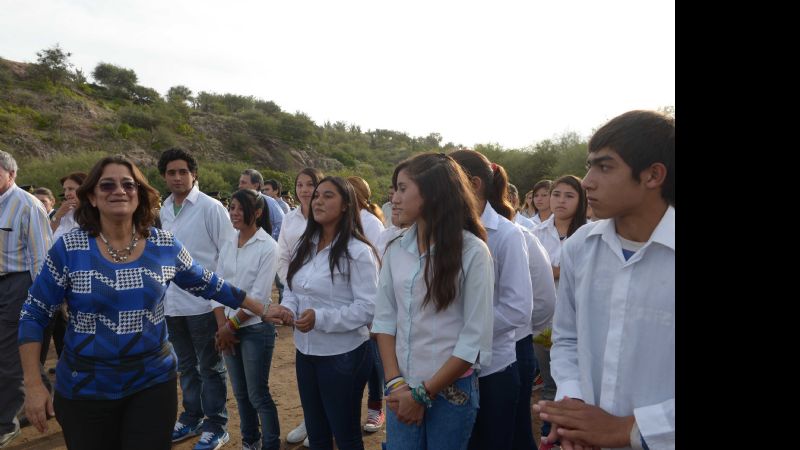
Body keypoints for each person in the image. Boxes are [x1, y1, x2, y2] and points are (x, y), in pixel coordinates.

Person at [18, 154, 283, 450]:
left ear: (139, 195)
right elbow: (34, 313)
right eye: (107, 185)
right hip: (85, 388)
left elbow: (208, 282)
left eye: (128, 185)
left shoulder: (163, 245)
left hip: (152, 384)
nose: (119, 191)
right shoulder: (68, 249)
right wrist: (32, 383)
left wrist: (263, 308)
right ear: (91, 197)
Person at [533, 110, 675, 450]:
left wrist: (631, 430)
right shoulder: (581, 247)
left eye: (605, 167)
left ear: (653, 175)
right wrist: (574, 404)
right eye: (589, 166)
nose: (587, 181)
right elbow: (567, 337)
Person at [373, 153, 494, 450]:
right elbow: (385, 320)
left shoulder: (473, 252)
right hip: (401, 389)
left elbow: (472, 339)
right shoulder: (395, 249)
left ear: (431, 193)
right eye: (394, 189)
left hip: (452, 392)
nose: (394, 198)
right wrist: (397, 384)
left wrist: (423, 395)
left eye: (402, 188)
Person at [273, 176, 380, 450]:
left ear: (346, 205)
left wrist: (320, 318)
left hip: (342, 356)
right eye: (317, 195)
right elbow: (294, 288)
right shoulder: (305, 245)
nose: (318, 200)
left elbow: (368, 308)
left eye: (328, 196)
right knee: (318, 434)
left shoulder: (358, 251)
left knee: (345, 437)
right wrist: (288, 308)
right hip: (306, 353)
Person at [450, 150, 533, 450]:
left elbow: (518, 308)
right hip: (447, 368)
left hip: (492, 369)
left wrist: (462, 332)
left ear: (473, 184)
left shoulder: (507, 235)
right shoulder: (440, 232)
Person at [158, 148, 236, 450]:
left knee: (210, 367)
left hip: (205, 305)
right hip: (173, 305)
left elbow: (226, 256)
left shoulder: (211, 208)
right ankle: (192, 416)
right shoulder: (165, 208)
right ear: (164, 176)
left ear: (194, 174)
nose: (177, 177)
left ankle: (216, 425)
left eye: (183, 172)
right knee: (186, 366)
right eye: (171, 172)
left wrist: (222, 310)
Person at [213, 189, 280, 450]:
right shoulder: (228, 241)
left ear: (259, 213)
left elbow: (260, 298)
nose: (234, 213)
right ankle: (250, 441)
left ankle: (270, 444)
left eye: (241, 208)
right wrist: (222, 326)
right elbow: (216, 286)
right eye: (231, 207)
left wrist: (231, 325)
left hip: (254, 329)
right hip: (227, 327)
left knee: (257, 394)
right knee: (240, 394)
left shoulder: (268, 246)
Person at [0, 150, 53, 449]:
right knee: (10, 351)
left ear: (12, 175)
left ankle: (5, 423)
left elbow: (40, 258)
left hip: (20, 283)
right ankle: (45, 393)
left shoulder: (27, 206)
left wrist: (41, 301)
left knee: (7, 355)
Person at [277, 167, 324, 447]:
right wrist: (290, 287)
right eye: (300, 184)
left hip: (323, 297)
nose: (304, 190)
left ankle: (324, 424)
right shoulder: (289, 220)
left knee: (326, 367)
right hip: (296, 294)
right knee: (306, 366)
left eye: (310, 184)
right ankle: (310, 420)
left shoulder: (327, 216)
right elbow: (282, 255)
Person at [346, 176, 387, 433]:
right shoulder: (342, 222)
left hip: (369, 300)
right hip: (347, 301)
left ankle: (376, 407)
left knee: (374, 359)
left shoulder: (371, 223)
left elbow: (379, 266)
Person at [533, 175, 587, 284]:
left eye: (569, 196)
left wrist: (559, 272)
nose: (561, 200)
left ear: (581, 200)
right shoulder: (535, 233)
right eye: (556, 195)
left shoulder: (592, 234)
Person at [239, 169, 285, 242]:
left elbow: (282, 225)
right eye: (240, 183)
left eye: (243, 183)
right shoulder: (238, 203)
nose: (240, 186)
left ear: (256, 185)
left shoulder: (269, 202)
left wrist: (267, 239)